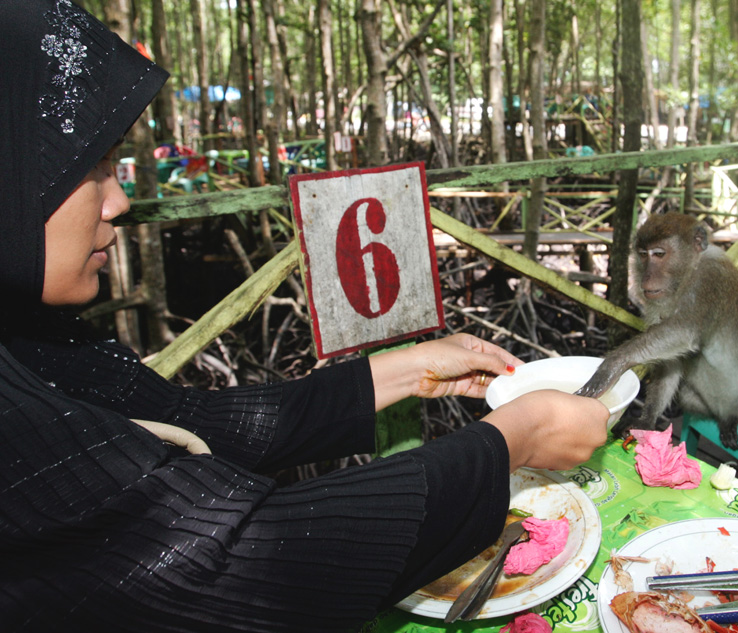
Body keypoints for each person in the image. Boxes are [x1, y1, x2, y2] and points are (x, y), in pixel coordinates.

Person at [0, 1, 610, 630]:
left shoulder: (28, 341)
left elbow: (184, 423)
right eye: (92, 166)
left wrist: (408, 369)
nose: (119, 201)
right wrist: (514, 439)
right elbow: (236, 559)